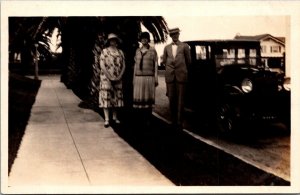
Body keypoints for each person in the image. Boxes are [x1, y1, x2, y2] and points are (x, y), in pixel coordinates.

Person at [162, 27, 191, 131]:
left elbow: (188, 61)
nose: (175, 36)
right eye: (173, 34)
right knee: (172, 99)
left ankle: (180, 122)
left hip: (181, 76)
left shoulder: (185, 46)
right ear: (170, 36)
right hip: (170, 76)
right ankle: (173, 121)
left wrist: (183, 70)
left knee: (180, 100)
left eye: (177, 34)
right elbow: (164, 61)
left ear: (179, 34)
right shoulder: (166, 48)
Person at [99, 33, 126, 128]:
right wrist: (110, 77)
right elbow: (102, 65)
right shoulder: (104, 51)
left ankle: (115, 118)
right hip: (106, 79)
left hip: (118, 79)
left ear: (116, 41)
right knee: (106, 97)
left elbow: (124, 66)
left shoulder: (120, 52)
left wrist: (119, 76)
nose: (113, 42)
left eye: (114, 40)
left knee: (116, 98)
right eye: (111, 40)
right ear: (108, 41)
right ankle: (107, 119)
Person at [133, 32, 158, 125]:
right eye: (142, 38)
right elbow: (135, 65)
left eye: (146, 38)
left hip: (149, 78)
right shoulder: (137, 51)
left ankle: (148, 119)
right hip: (139, 78)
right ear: (140, 40)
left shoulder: (153, 51)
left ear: (148, 39)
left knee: (148, 98)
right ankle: (141, 119)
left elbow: (155, 64)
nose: (144, 40)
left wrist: (156, 77)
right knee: (140, 98)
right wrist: (133, 78)